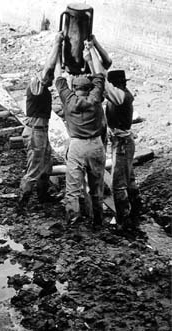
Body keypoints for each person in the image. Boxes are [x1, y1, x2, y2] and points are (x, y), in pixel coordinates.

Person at [86, 43, 142, 231]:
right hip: (123, 141)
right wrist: (92, 50)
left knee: (119, 184)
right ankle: (136, 208)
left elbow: (103, 82)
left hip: (122, 143)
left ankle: (123, 220)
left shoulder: (119, 96)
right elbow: (104, 74)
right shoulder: (122, 94)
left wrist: (90, 58)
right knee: (129, 177)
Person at [54, 48, 106, 229]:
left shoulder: (69, 99)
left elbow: (58, 78)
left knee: (73, 188)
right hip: (96, 145)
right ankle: (98, 221)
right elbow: (100, 74)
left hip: (77, 146)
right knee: (96, 187)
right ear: (89, 88)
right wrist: (90, 52)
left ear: (74, 88)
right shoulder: (96, 97)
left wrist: (60, 48)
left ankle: (73, 223)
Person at [17, 32, 64, 210]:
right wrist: (56, 44)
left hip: (41, 132)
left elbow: (54, 73)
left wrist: (60, 54)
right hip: (35, 133)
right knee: (35, 169)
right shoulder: (36, 84)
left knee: (46, 166)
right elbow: (48, 70)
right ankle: (22, 203)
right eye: (49, 76)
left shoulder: (41, 88)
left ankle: (43, 197)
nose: (51, 79)